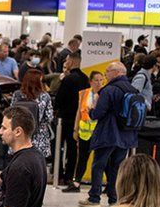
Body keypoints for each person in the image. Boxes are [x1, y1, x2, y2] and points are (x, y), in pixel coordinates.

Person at [80, 62, 139, 207]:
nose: (105, 74)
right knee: (117, 167)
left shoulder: (109, 90)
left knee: (98, 165)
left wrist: (92, 108)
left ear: (116, 72)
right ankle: (114, 199)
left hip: (108, 133)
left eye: (107, 71)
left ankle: (94, 198)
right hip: (126, 134)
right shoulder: (133, 89)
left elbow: (98, 113)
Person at [64, 71, 105, 193]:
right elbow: (79, 112)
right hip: (85, 132)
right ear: (91, 81)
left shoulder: (105, 93)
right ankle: (76, 182)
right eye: (96, 80)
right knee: (82, 158)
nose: (99, 83)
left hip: (99, 131)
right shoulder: (83, 93)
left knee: (102, 159)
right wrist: (75, 129)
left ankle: (106, 185)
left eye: (101, 80)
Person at [54, 52, 90, 188]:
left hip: (64, 118)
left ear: (72, 61)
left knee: (58, 146)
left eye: (67, 60)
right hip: (78, 118)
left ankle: (59, 174)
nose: (65, 62)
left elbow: (59, 99)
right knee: (73, 149)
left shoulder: (68, 79)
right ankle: (70, 175)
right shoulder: (85, 79)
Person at [10, 69, 54, 161]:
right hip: (39, 136)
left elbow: (11, 113)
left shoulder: (17, 95)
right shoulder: (45, 96)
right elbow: (49, 117)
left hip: (19, 134)